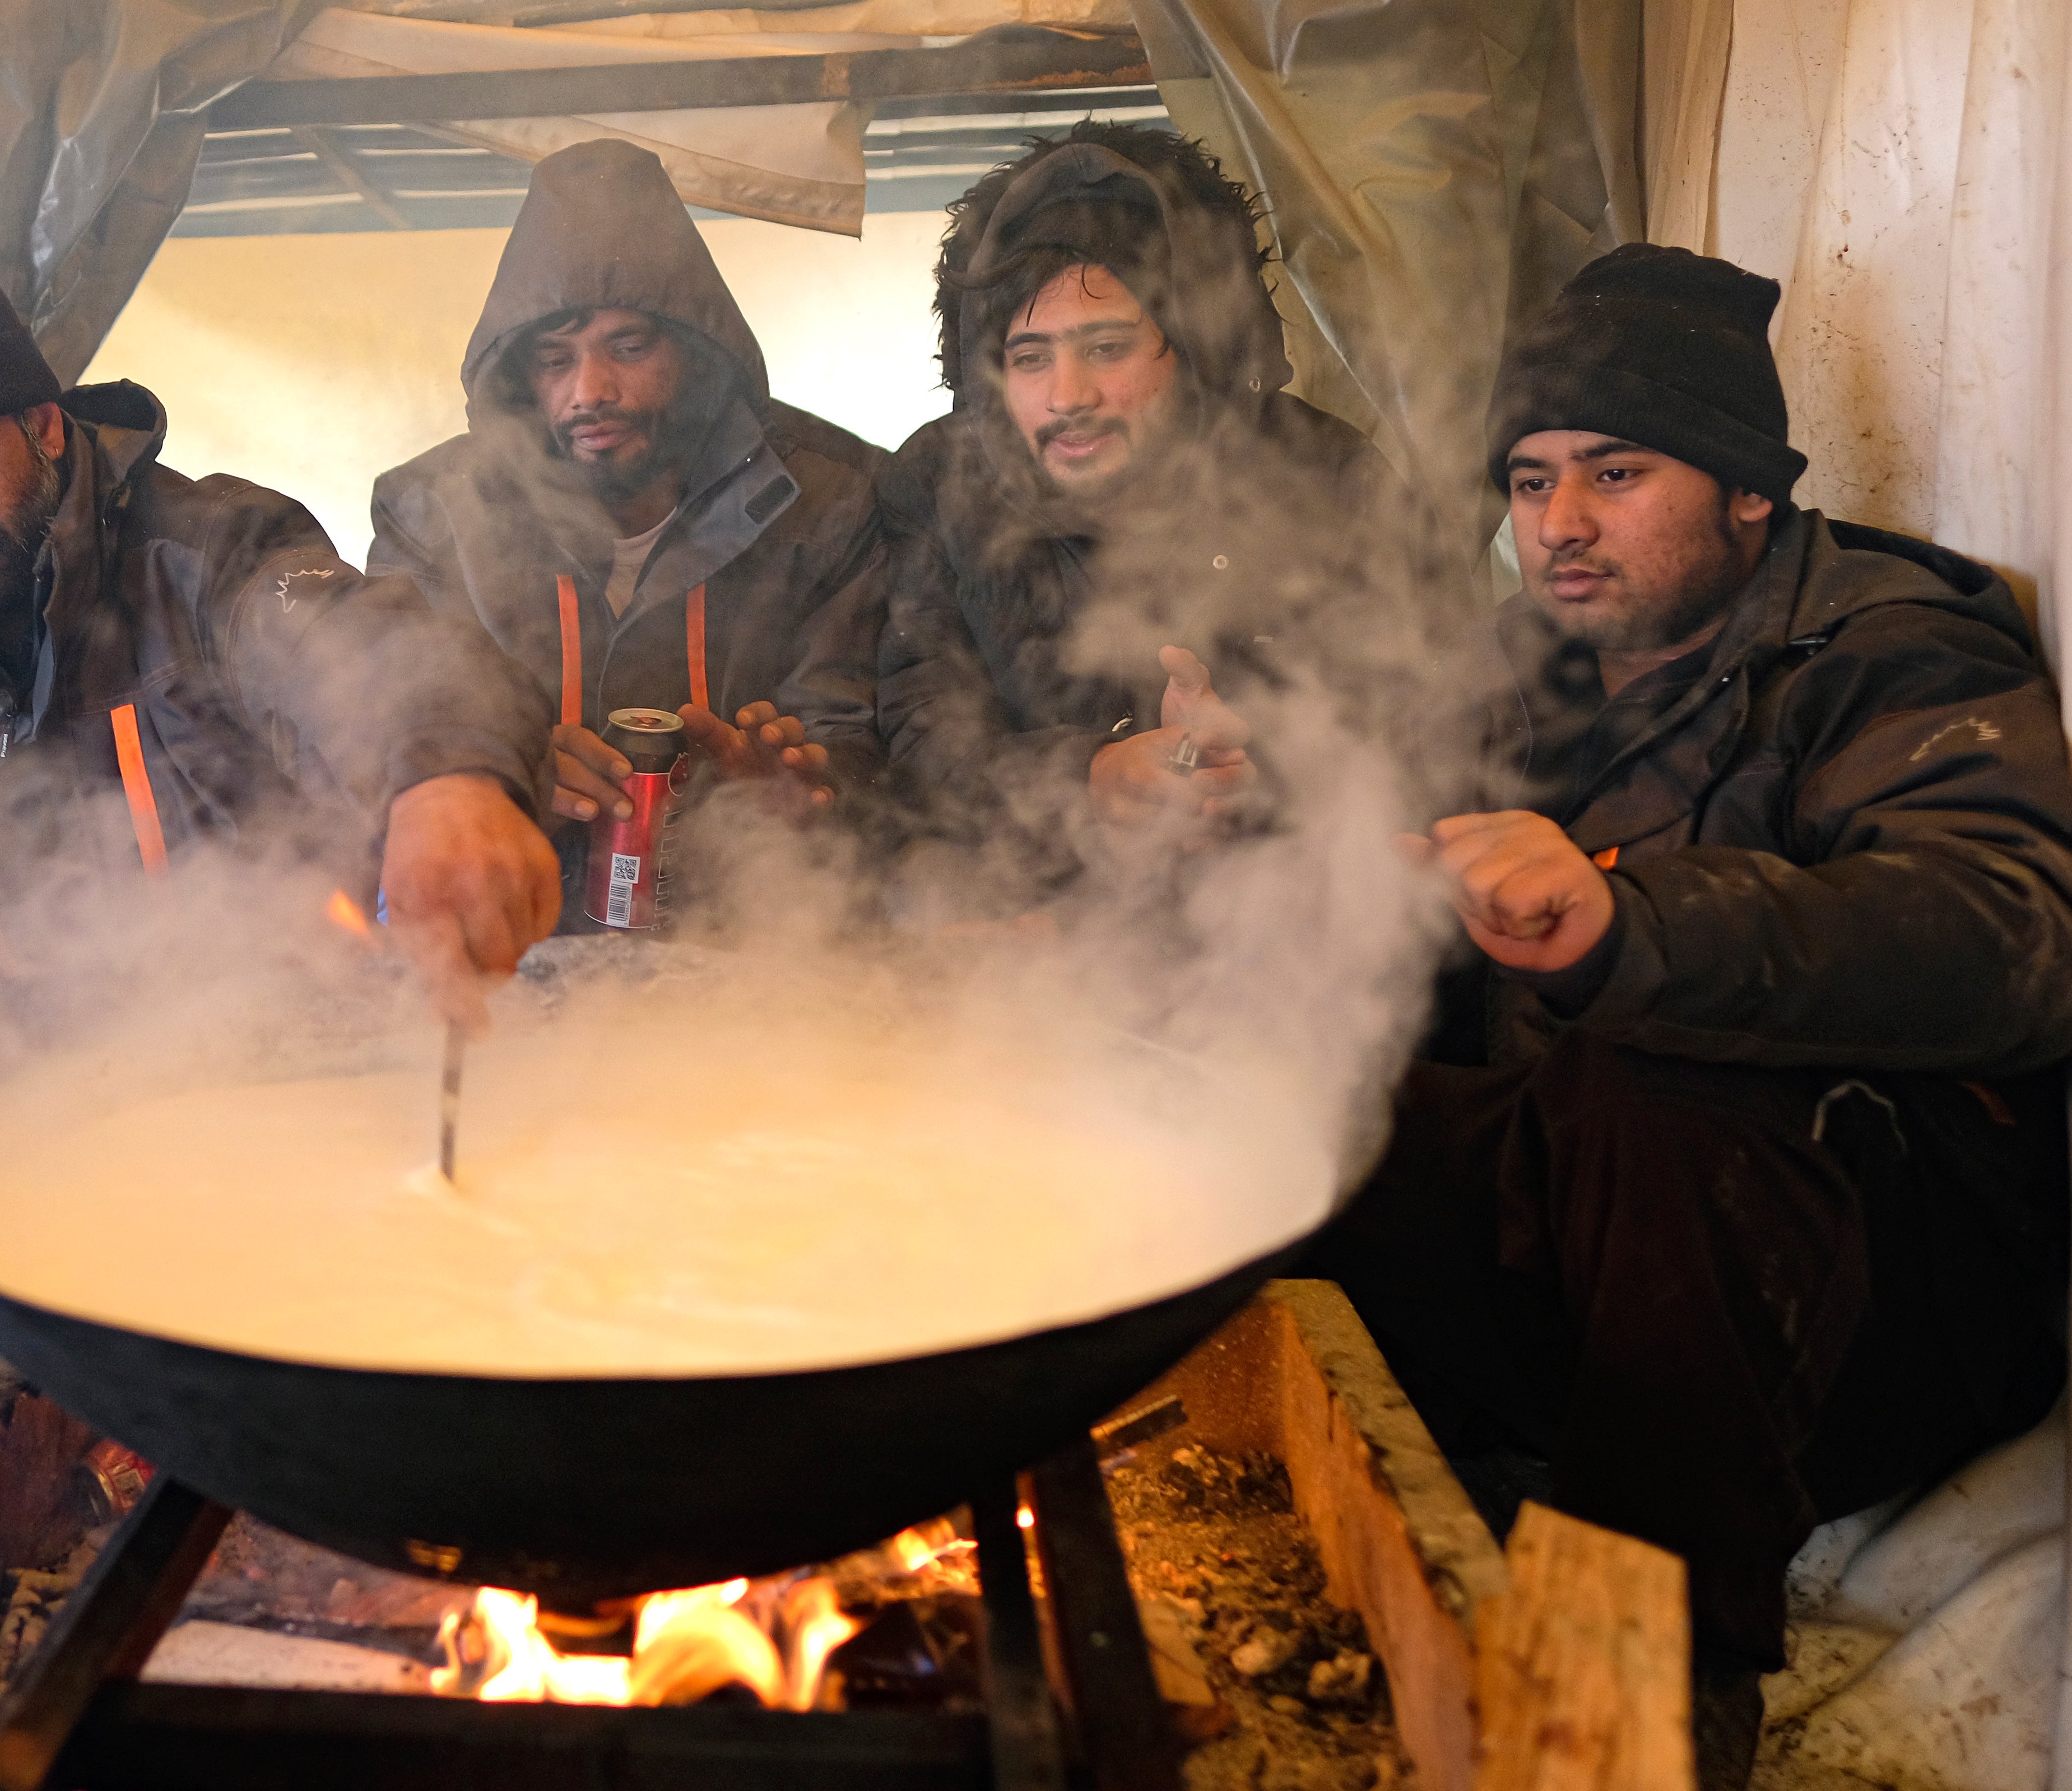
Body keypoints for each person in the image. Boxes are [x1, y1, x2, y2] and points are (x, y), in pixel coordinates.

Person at [1320, 245, 2072, 1783]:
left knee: (1647, 1082)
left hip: (1852, 1310)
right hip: (1582, 1274)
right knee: (1264, 1064)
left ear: (1747, 490)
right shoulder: (1519, 671)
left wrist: (1629, 922)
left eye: (1616, 470)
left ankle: (1647, 1696)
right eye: (1528, 484)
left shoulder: (1888, 650)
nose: (1562, 526)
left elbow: (2015, 938)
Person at [0, 194, 561, 1376]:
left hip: (305, 1059)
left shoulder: (211, 548)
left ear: (45, 421)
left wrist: (447, 779)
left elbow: (370, 648)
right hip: (55, 1098)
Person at [875, 121, 1404, 901]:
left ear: (1196, 345)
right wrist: (1086, 773)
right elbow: (917, 724)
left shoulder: (1331, 479)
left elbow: (1424, 729)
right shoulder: (940, 482)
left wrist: (1263, 769)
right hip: (1033, 947)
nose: (1067, 397)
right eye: (1029, 359)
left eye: (1106, 348)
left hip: (1281, 944)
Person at [368, 139, 886, 930]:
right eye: (554, 359)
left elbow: (867, 745)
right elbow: (389, 732)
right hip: (509, 945)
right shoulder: (430, 514)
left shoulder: (826, 501)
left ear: (696, 352)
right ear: (518, 378)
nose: (590, 391)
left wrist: (796, 786)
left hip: (755, 956)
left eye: (629, 346)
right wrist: (499, 772)